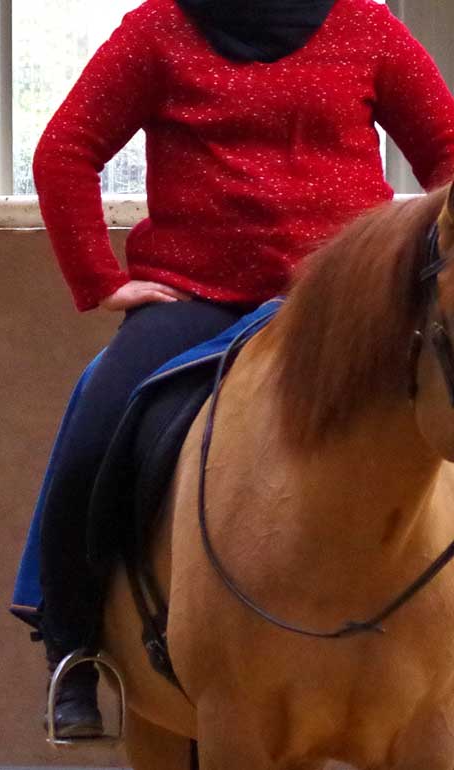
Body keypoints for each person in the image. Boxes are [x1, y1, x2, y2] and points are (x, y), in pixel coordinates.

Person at [26, 0, 454, 738]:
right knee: (96, 418)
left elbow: (448, 145)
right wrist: (100, 277)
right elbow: (65, 149)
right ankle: (75, 646)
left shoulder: (367, 26)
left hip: (344, 310)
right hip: (199, 300)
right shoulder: (158, 31)